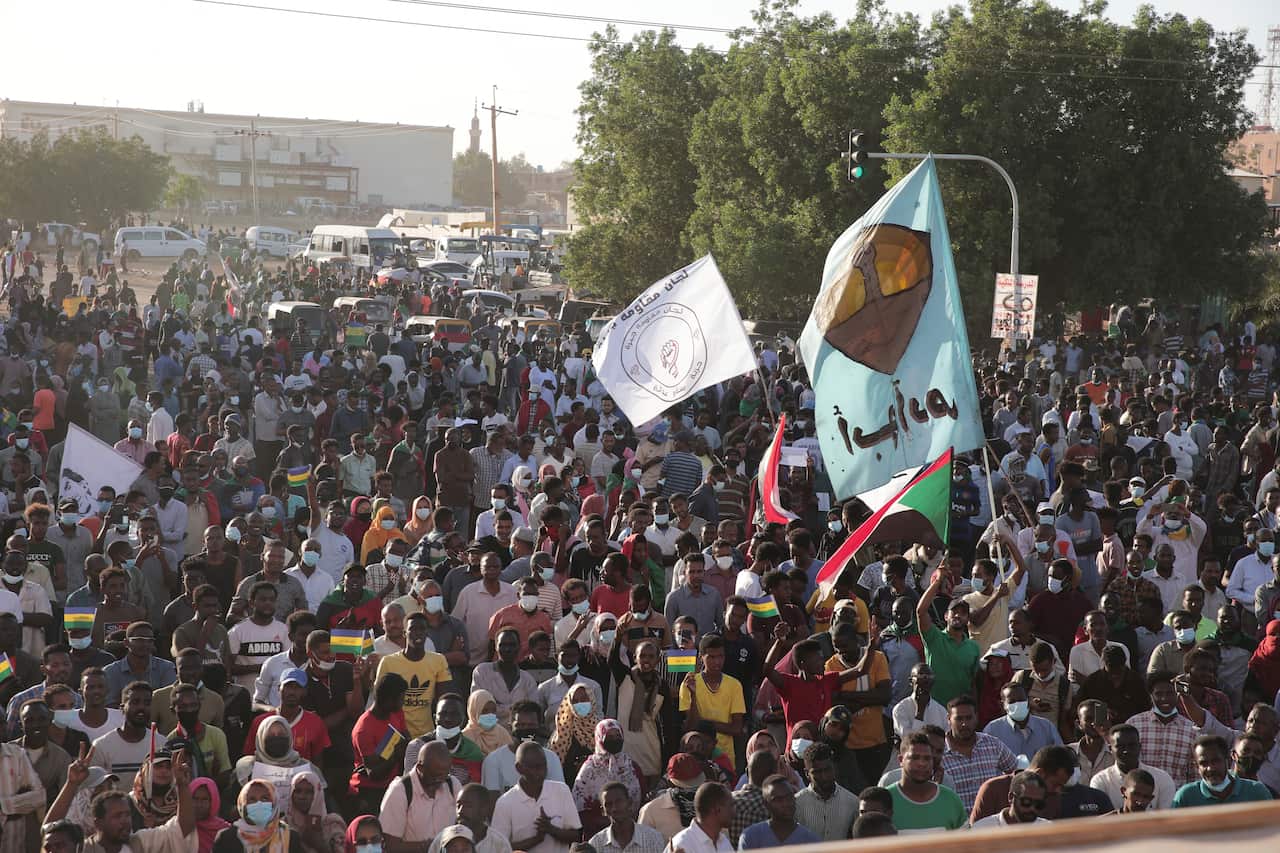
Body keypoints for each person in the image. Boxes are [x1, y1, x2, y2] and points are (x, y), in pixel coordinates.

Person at [490, 741, 582, 853]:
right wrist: (536, 840)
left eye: (543, 766)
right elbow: (498, 848)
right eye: (535, 768)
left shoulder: (561, 791)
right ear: (519, 768)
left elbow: (576, 836)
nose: (541, 772)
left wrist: (551, 830)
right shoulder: (505, 803)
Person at [381, 740, 464, 851]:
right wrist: (431, 846)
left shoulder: (452, 784)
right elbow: (390, 845)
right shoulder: (400, 791)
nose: (440, 780)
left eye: (444, 775)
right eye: (435, 776)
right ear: (420, 768)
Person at [571, 718, 644, 837]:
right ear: (600, 738)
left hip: (631, 831)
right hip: (598, 833)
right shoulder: (589, 769)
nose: (615, 740)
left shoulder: (631, 766)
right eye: (609, 737)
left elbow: (642, 797)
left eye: (617, 736)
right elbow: (579, 806)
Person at [885, 732, 967, 832]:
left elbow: (966, 841)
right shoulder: (886, 800)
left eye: (927, 758)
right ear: (901, 760)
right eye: (915, 758)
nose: (922, 764)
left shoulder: (951, 800)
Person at [1089, 723, 1177, 811]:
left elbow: (1167, 816)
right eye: (1120, 746)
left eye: (1131, 745)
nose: (1126, 751)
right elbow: (1099, 816)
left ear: (1139, 746)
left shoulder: (1162, 779)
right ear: (1110, 749)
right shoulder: (1101, 781)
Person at [1171, 734, 1273, 807]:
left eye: (1216, 761)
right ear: (1197, 766)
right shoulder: (1186, 797)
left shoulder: (1257, 792)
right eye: (1203, 763)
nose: (1210, 768)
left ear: (1227, 760)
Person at [793, 743, 858, 841]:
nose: (824, 777)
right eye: (817, 772)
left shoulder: (852, 802)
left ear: (834, 767)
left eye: (827, 770)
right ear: (807, 773)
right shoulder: (796, 803)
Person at [736, 773, 818, 850]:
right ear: (766, 804)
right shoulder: (751, 837)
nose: (786, 804)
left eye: (789, 797)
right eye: (778, 800)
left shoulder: (811, 841)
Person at [587, 781, 665, 853]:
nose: (614, 808)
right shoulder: (596, 844)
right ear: (603, 811)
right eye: (608, 804)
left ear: (630, 803)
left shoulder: (653, 839)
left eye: (619, 801)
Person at [666, 781, 735, 853]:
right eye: (731, 805)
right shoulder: (682, 845)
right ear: (717, 809)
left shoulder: (724, 841)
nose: (734, 811)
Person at [970, 769, 1051, 828]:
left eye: (1039, 804)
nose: (1032, 808)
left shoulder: (1048, 830)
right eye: (1026, 801)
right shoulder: (982, 829)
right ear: (1011, 797)